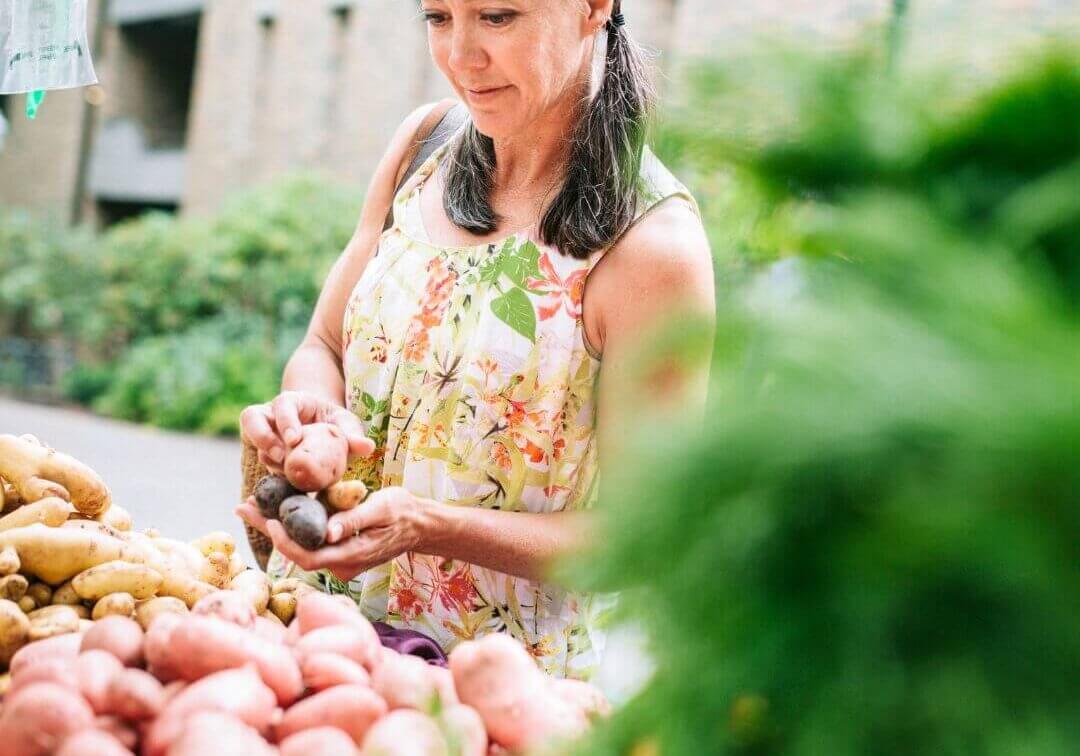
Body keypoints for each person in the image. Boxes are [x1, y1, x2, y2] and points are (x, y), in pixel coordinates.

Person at [237, 0, 714, 680]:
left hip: (480, 695)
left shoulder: (652, 247)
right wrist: (314, 418)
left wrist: (433, 525)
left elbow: (645, 541)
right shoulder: (423, 146)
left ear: (594, 8)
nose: (460, 56)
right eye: (437, 17)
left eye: (497, 16)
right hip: (296, 642)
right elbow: (324, 344)